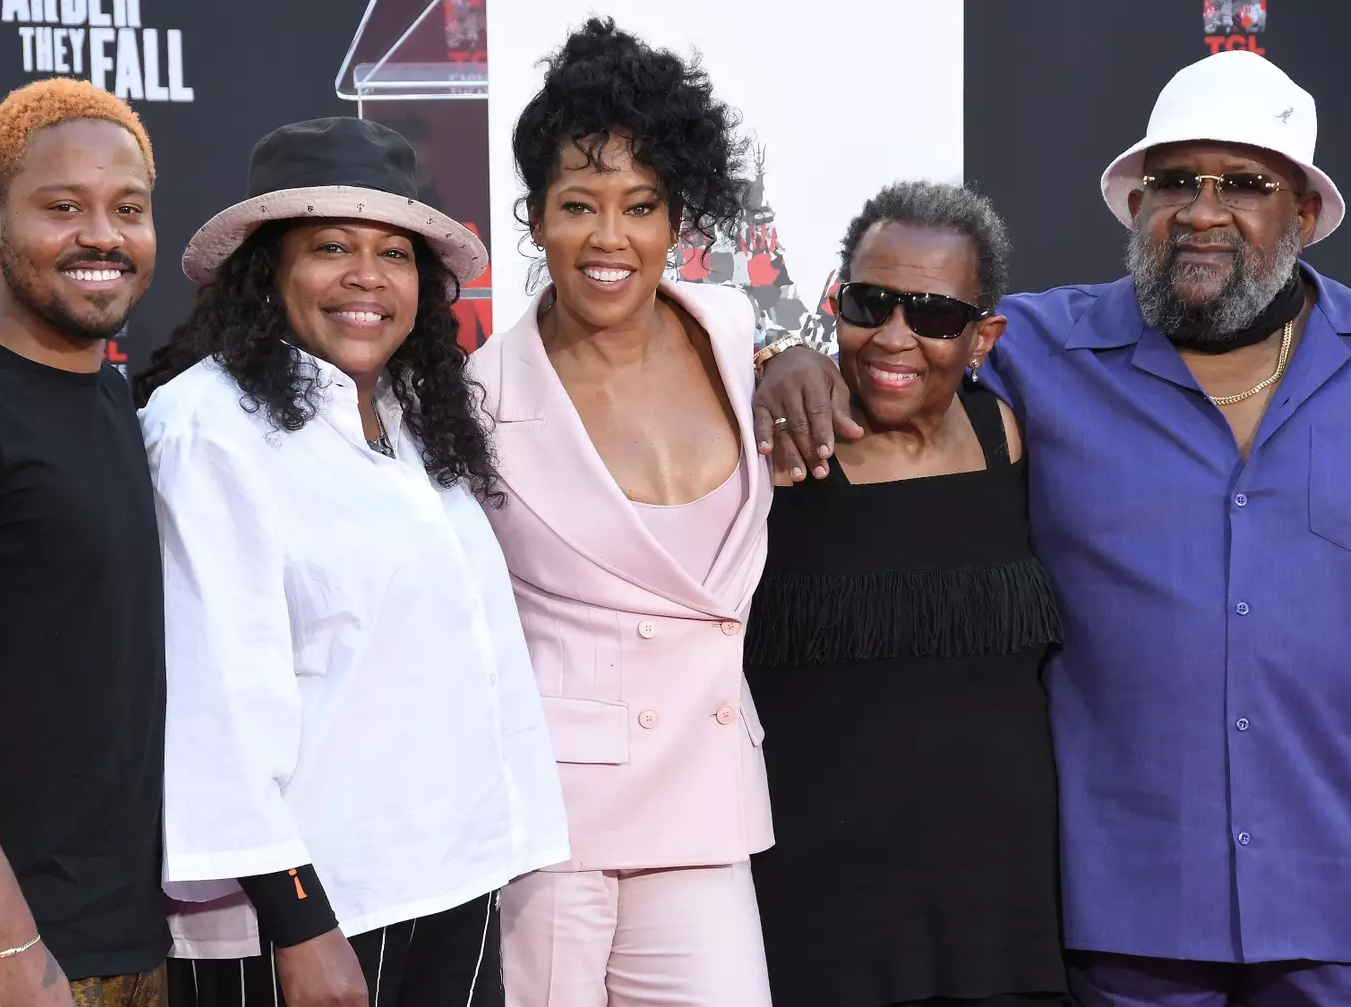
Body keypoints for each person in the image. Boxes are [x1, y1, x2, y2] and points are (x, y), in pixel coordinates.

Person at [755, 50, 1351, 1005]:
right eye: (1173, 183)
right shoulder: (1038, 347)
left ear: (1305, 215)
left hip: (1332, 900)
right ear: (1136, 206)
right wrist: (784, 354)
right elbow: (904, 346)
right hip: (1127, 922)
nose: (1202, 211)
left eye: (1244, 184)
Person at [132, 117, 570, 1006]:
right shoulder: (205, 430)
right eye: (331, 246)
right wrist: (300, 925)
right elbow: (211, 706)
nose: (367, 277)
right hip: (303, 918)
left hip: (451, 885)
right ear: (267, 271)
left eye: (395, 253)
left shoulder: (414, 420)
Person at [469, 19, 775, 1007]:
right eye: (578, 206)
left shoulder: (731, 333)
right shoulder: (478, 396)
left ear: (676, 216)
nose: (610, 238)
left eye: (640, 206)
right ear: (534, 218)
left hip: (704, 794)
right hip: (555, 825)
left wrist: (799, 359)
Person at [745, 180, 1069, 1007]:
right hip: (816, 916)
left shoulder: (1013, 440)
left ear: (982, 337)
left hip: (1006, 915)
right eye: (871, 302)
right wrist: (775, 356)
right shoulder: (775, 452)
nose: (895, 336)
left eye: (932, 316)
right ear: (836, 303)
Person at [0, 79, 169, 1006]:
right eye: (63, 207)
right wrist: (7, 939)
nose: (102, 235)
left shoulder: (114, 399)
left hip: (128, 941)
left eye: (127, 209)